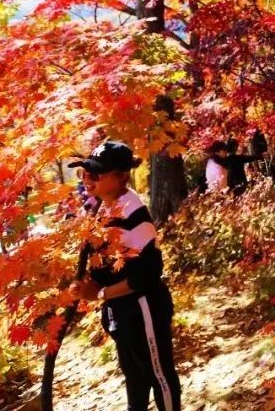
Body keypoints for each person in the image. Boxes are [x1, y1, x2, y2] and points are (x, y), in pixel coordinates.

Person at [68, 140, 181, 411]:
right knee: (135, 375)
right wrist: (86, 285)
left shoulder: (135, 214)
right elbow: (102, 266)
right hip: (120, 311)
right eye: (85, 173)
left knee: (158, 375)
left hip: (143, 308)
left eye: (95, 173)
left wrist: (101, 294)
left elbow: (147, 275)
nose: (88, 179)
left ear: (121, 176)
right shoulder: (103, 208)